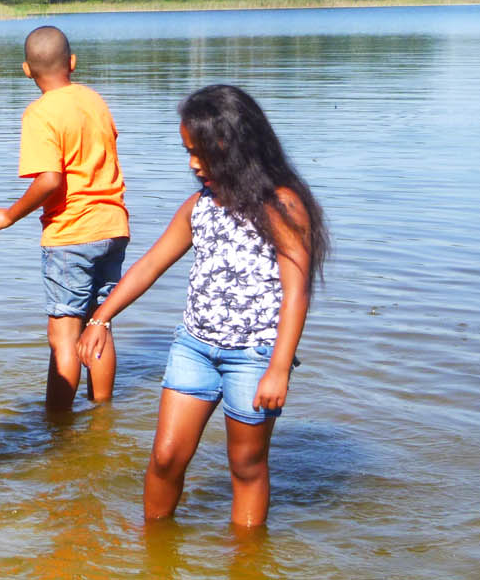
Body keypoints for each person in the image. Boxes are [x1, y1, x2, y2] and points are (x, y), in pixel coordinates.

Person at [79, 84, 328, 527]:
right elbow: (151, 264)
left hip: (254, 357)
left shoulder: (282, 206)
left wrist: (279, 368)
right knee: (165, 456)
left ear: (233, 146)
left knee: (246, 467)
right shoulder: (200, 207)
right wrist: (100, 317)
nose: (193, 164)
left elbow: (297, 293)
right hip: (194, 348)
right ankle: (152, 554)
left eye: (201, 153)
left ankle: (246, 564)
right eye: (187, 151)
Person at [0, 26, 129, 411]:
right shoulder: (95, 101)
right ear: (73, 63)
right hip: (113, 227)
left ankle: (57, 429)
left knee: (64, 336)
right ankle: (102, 417)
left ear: (27, 70)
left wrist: (10, 215)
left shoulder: (40, 113)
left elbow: (50, 180)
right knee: (99, 324)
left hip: (71, 234)